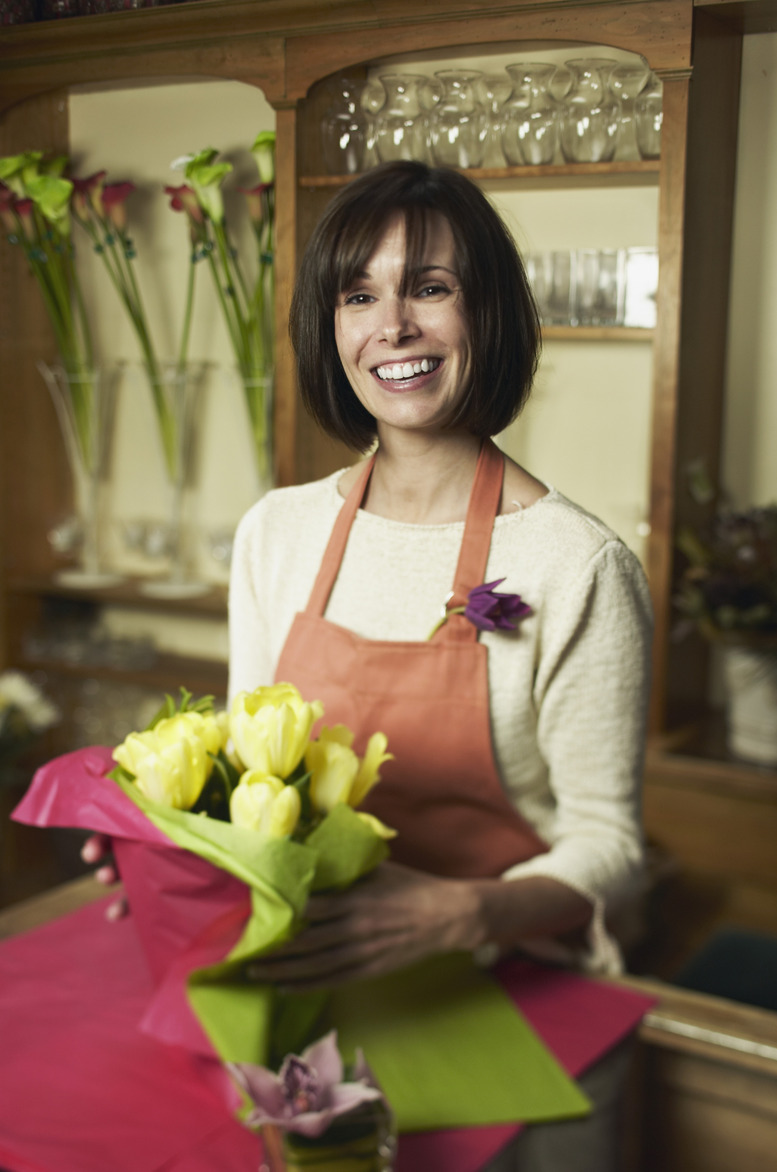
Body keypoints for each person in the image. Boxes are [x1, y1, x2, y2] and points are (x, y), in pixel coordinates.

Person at [88, 160, 652, 1170]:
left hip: (514, 988)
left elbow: (611, 844)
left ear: (488, 313)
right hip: (318, 991)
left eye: (429, 286)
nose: (392, 323)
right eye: (360, 293)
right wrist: (168, 847)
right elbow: (248, 780)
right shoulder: (278, 531)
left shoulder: (579, 564)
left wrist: (460, 909)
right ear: (331, 325)